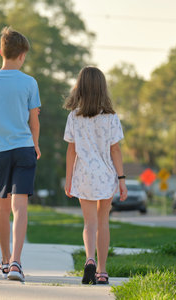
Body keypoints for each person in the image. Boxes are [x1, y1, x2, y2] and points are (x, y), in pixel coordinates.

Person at [0, 26, 41, 282]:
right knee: (20, 207)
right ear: (23, 55)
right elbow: (34, 120)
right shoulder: (29, 82)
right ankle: (16, 263)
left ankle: (4, 261)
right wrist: (35, 144)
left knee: (2, 208)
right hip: (24, 148)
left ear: (0, 52)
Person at [63, 66, 127, 285]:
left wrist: (69, 179)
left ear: (80, 87)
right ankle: (101, 270)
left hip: (83, 175)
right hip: (106, 175)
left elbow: (71, 150)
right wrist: (122, 179)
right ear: (102, 88)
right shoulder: (110, 117)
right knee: (103, 222)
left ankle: (89, 259)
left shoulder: (74, 116)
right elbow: (115, 150)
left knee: (89, 223)